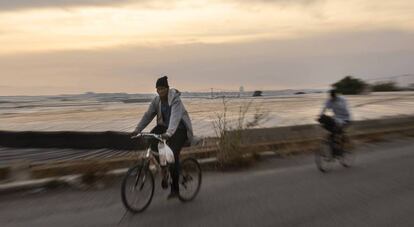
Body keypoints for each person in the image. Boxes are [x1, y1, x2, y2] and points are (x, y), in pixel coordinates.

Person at [133, 76, 194, 199]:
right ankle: (164, 168)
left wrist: (169, 133)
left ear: (167, 89)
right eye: (158, 89)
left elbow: (175, 118)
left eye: (162, 89)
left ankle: (175, 190)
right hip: (166, 128)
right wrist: (137, 129)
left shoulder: (175, 100)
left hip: (180, 130)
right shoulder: (156, 101)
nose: (160, 91)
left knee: (172, 155)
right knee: (151, 139)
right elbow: (147, 115)